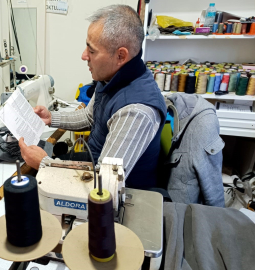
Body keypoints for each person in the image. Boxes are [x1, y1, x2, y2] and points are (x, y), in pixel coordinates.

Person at [19, 4, 167, 189]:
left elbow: (105, 185)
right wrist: (51, 118)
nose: (83, 56)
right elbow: (91, 116)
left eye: (92, 50)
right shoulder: (112, 77)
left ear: (121, 55)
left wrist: (44, 163)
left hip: (119, 193)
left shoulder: (135, 111)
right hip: (94, 163)